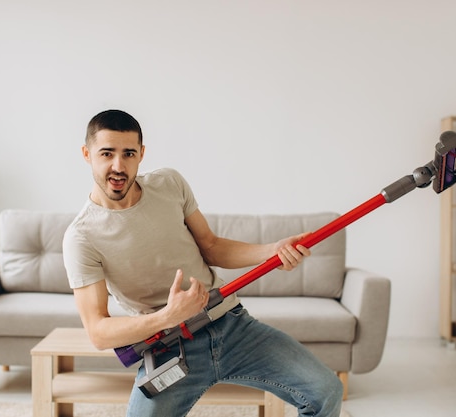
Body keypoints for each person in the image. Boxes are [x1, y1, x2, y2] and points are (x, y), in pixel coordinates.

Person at [63, 109, 343, 417]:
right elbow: (98, 332)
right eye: (107, 154)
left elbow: (211, 246)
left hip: (232, 326)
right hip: (170, 347)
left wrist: (272, 251)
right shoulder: (81, 237)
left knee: (325, 391)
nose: (118, 166)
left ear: (141, 154)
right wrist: (167, 317)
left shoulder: (169, 184)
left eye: (128, 153)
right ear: (87, 154)